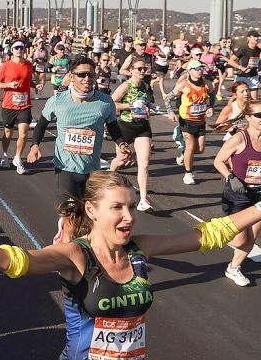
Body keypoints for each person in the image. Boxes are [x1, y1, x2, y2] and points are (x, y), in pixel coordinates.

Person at [0, 169, 261, 360]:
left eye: (131, 206)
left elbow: (207, 235)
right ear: (92, 210)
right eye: (118, 208)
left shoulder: (139, 250)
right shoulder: (76, 255)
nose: (129, 216)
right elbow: (16, 260)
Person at [27, 56, 132, 243]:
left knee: (91, 220)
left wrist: (122, 144)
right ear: (71, 76)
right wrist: (35, 145)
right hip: (65, 169)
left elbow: (114, 128)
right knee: (72, 221)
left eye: (90, 75)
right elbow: (41, 125)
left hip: (92, 171)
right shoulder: (58, 100)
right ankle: (68, 265)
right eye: (81, 74)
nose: (87, 79)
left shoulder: (105, 102)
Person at [212, 101, 261, 287]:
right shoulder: (239, 139)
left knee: (252, 238)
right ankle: (219, 231)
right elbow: (218, 161)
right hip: (238, 194)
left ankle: (233, 268)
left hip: (260, 195)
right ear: (248, 117)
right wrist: (231, 177)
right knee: (240, 239)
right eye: (259, 115)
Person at [110, 58, 156, 212]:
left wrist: (150, 107)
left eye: (144, 69)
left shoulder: (145, 86)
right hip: (125, 126)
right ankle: (108, 178)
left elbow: (147, 103)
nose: (142, 71)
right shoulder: (125, 86)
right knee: (121, 160)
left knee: (144, 163)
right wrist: (130, 106)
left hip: (142, 127)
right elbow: (111, 104)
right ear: (131, 70)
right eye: (139, 69)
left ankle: (143, 199)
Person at [166, 59, 215, 185]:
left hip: (200, 120)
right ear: (190, 71)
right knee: (191, 146)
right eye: (197, 69)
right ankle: (188, 174)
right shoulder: (184, 85)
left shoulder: (207, 84)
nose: (200, 71)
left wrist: (210, 106)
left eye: (201, 69)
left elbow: (212, 95)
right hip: (186, 120)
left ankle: (182, 149)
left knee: (200, 150)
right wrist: (170, 112)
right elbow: (168, 99)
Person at [0, 40, 34, 174]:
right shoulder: (5, 66)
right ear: (12, 50)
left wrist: (35, 86)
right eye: (16, 48)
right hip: (9, 105)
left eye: (21, 48)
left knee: (23, 133)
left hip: (25, 104)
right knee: (8, 133)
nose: (19, 50)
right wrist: (9, 85)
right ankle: (5, 155)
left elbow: (29, 80)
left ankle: (17, 158)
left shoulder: (29, 65)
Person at [228, 30, 261, 100]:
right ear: (248, 38)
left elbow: (256, 62)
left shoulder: (258, 50)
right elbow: (231, 61)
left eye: (257, 37)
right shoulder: (243, 48)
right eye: (254, 36)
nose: (256, 38)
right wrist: (242, 68)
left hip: (253, 76)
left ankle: (249, 110)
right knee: (236, 98)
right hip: (242, 76)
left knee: (254, 100)